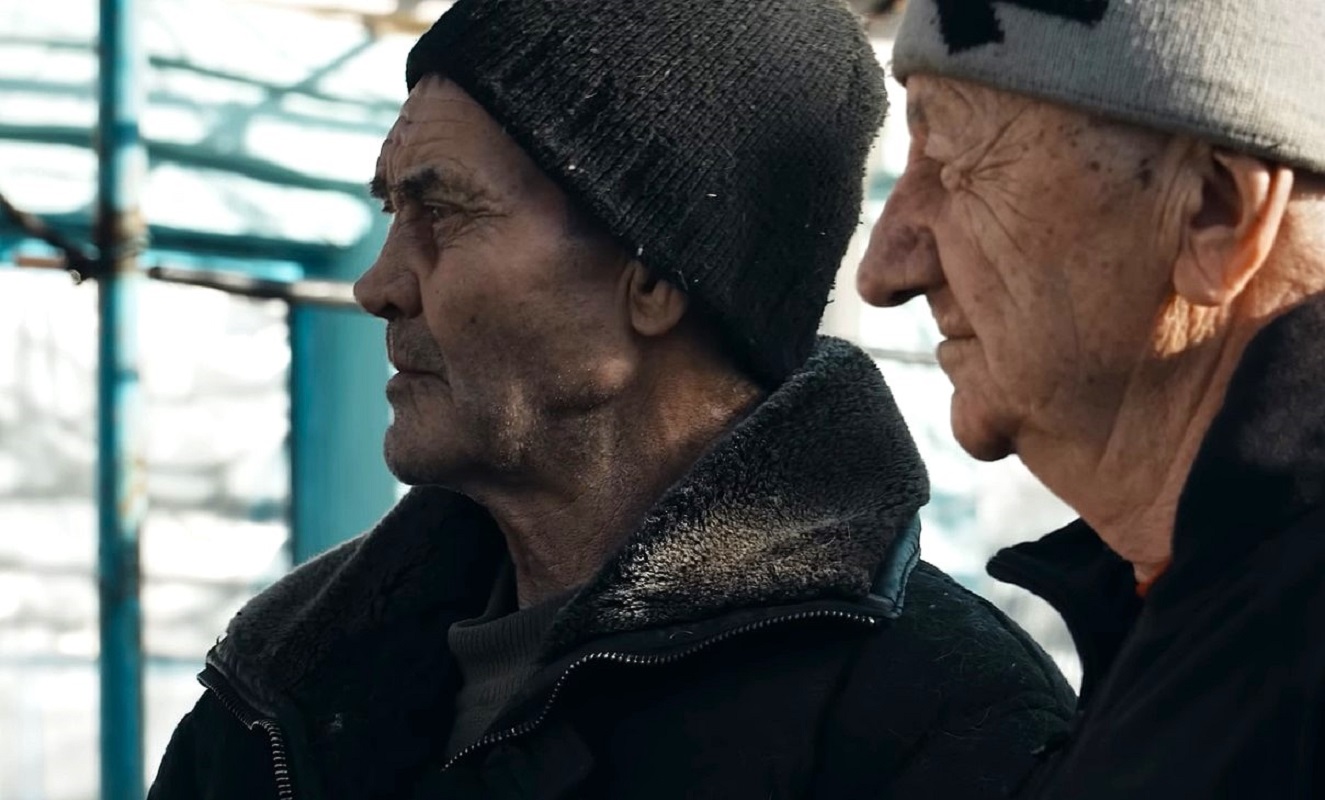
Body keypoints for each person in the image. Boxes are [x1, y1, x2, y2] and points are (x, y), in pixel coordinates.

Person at [148, 1, 1073, 798]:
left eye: (446, 212)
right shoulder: (289, 680)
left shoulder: (934, 723)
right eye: (393, 210)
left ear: (655, 276)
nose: (379, 285)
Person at [857, 1, 1325, 796]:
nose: (884, 270)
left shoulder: (1284, 651)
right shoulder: (1199, 612)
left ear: (1214, 210)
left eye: (955, 160)